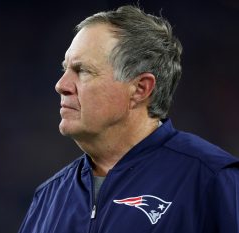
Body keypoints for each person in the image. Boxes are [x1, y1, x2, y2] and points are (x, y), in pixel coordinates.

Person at [19, 5, 239, 233]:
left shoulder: (211, 181)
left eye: (82, 71)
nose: (61, 85)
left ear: (140, 88)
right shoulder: (48, 198)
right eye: (65, 69)